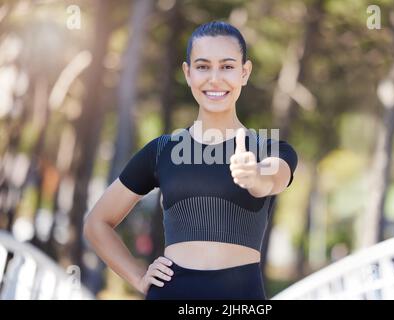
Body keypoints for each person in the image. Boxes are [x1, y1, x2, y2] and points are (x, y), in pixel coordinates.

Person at [83, 21, 298, 300]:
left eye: (228, 66)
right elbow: (96, 222)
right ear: (188, 73)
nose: (215, 78)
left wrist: (255, 177)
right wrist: (138, 276)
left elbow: (274, 179)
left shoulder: (270, 149)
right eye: (203, 66)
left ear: (245, 73)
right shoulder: (162, 151)